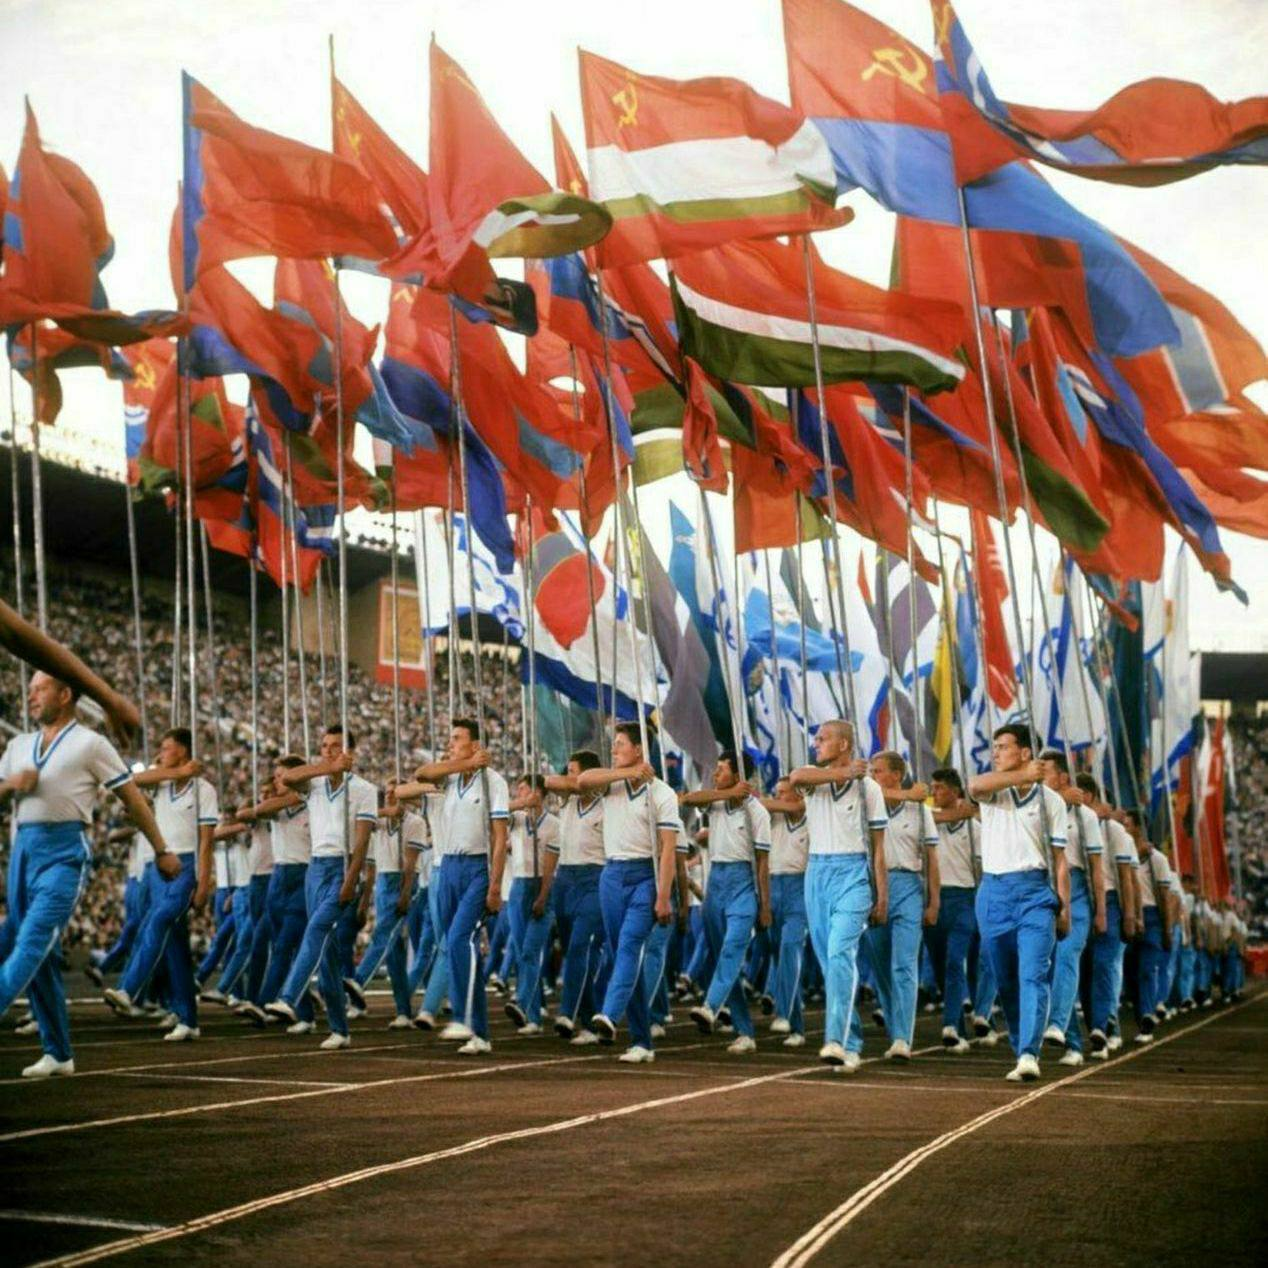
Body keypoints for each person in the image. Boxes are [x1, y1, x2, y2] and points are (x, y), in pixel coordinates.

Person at [0, 671, 175, 1077]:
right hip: (23, 851)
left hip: (64, 853)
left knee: (32, 939)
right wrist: (11, 785)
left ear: (65, 694)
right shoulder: (17, 745)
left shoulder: (91, 743)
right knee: (36, 954)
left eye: (39, 689)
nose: (30, 697)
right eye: (28, 691)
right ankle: (58, 1052)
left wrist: (162, 848)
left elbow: (131, 797)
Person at [396, 719, 509, 1056]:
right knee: (455, 942)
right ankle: (480, 1033)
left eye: (458, 739)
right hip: (447, 869)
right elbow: (421, 774)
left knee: (461, 939)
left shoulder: (493, 783)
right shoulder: (450, 779)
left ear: (475, 745)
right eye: (450, 738)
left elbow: (500, 837)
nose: (451, 743)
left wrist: (495, 885)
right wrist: (464, 763)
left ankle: (461, 1014)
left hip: (477, 867)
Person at [577, 721, 687, 1064]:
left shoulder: (662, 794)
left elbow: (669, 850)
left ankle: (609, 1014)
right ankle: (641, 1041)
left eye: (620, 744)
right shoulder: (611, 785)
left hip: (645, 876)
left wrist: (663, 895)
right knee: (621, 954)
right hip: (611, 875)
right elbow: (582, 781)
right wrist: (621, 775)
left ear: (639, 750)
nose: (614, 750)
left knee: (628, 946)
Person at [967, 723, 1070, 1083]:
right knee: (1005, 979)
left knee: (1033, 974)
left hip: (1034, 894)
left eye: (1003, 747)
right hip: (993, 893)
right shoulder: (993, 791)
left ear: (1026, 752)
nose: (995, 753)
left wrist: (1065, 907)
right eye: (993, 747)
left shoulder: (1051, 801)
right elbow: (975, 786)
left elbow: (1059, 859)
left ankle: (1029, 1052)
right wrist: (1019, 775)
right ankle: (1019, 1042)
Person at [263, 725, 376, 1050]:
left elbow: (362, 841)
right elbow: (287, 779)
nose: (327, 750)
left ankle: (288, 996)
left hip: (341, 866)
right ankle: (340, 1028)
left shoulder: (364, 789)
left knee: (314, 930)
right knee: (324, 953)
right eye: (324, 745)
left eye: (335, 746)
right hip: (315, 866)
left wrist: (351, 882)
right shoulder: (314, 783)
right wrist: (328, 767)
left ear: (349, 752)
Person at [103, 727, 217, 1042]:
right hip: (160, 863)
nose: (162, 752)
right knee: (174, 945)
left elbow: (206, 843)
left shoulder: (203, 789)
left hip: (186, 864)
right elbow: (129, 781)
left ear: (182, 749)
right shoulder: (163, 784)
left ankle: (129, 988)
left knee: (159, 919)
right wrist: (172, 769)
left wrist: (204, 883)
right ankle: (188, 1018)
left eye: (167, 748)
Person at [790, 719, 888, 1073]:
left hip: (853, 872)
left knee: (840, 953)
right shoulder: (813, 781)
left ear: (844, 744)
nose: (817, 743)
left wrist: (882, 896)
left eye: (824, 738)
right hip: (816, 873)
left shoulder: (869, 789)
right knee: (831, 963)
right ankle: (852, 1042)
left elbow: (878, 848)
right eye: (816, 738)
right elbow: (797, 777)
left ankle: (834, 1038)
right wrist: (841, 775)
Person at [681, 751, 772, 1055]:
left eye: (721, 770)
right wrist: (727, 792)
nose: (715, 775)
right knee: (719, 956)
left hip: (743, 883)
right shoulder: (716, 802)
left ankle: (710, 1005)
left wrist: (765, 904)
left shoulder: (757, 812)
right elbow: (688, 799)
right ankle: (744, 1031)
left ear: (738, 775)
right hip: (715, 883)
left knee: (733, 950)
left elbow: (761, 862)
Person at [866, 752, 939, 1062]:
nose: (872, 776)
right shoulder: (868, 806)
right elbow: (876, 793)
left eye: (878, 771)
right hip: (873, 887)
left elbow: (932, 861)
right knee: (881, 966)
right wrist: (910, 793)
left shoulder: (920, 812)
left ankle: (902, 1038)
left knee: (903, 963)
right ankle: (895, 1026)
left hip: (908, 886)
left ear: (897, 774)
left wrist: (934, 901)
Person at [1038, 750, 1106, 1068]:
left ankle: (1055, 1024)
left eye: (1047, 771)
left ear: (1064, 776)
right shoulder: (1036, 808)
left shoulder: (1085, 816)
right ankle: (1074, 1044)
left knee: (1067, 957)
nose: (1040, 775)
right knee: (1049, 968)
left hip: (1077, 893)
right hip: (1043, 887)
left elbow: (1096, 867)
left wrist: (1102, 911)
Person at [235, 756, 311, 1031]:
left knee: (285, 945)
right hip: (278, 878)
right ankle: (305, 1014)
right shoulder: (276, 809)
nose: (277, 781)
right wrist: (288, 799)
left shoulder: (311, 807)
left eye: (283, 776)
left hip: (303, 876)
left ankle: (263, 1001)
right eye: (276, 776)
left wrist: (298, 797)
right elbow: (246, 814)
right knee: (285, 947)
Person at [346, 791, 427, 1029]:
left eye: (397, 793)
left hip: (402, 880)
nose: (391, 796)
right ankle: (403, 1011)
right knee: (394, 951)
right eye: (388, 793)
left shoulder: (415, 822)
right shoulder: (378, 823)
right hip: (383, 881)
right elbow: (354, 822)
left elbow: (411, 862)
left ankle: (359, 980)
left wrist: (405, 892)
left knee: (383, 935)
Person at [1070, 775, 1138, 1060]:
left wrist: (1130, 915)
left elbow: (1126, 876)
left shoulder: (1114, 831)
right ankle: (1101, 1025)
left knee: (1104, 965)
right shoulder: (1071, 825)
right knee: (1083, 970)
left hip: (1109, 900)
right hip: (1079, 897)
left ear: (1088, 795)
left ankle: (1101, 1024)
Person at [542, 751, 607, 1046]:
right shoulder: (566, 803)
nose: (567, 777)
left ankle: (567, 1012)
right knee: (573, 953)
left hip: (594, 879)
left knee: (581, 947)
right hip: (565, 880)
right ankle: (590, 1022)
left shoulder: (606, 808)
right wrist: (572, 780)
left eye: (573, 771)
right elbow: (548, 781)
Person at [926, 767, 981, 1053]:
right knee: (938, 965)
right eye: (933, 787)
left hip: (964, 898)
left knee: (955, 960)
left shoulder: (975, 829)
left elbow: (981, 868)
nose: (934, 792)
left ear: (956, 791)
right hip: (934, 898)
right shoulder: (929, 821)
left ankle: (949, 1023)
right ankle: (956, 1027)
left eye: (940, 787)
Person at [503, 775, 560, 1036]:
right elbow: (497, 811)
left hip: (540, 886)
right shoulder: (517, 819)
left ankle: (522, 1002)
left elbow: (550, 865)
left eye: (525, 789)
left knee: (529, 950)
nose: (521, 793)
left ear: (539, 792)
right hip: (518, 887)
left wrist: (543, 895)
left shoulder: (552, 824)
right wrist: (520, 803)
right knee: (521, 950)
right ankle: (533, 1015)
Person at [759, 778, 809, 1048]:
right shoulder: (773, 821)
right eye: (775, 793)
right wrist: (765, 903)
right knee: (778, 955)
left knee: (791, 949)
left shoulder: (810, 820)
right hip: (774, 888)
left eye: (782, 793)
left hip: (798, 890)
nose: (776, 798)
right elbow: (759, 804)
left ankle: (784, 1013)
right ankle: (796, 1026)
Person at [1129, 818, 1177, 1043]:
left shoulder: (1157, 860)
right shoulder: (1122, 854)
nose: (1124, 829)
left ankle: (1147, 1015)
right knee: (1131, 973)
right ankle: (1141, 1015)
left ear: (1138, 828)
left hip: (1152, 917)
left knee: (1147, 969)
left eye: (1128, 825)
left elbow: (1166, 898)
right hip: (1128, 915)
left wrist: (1167, 929)